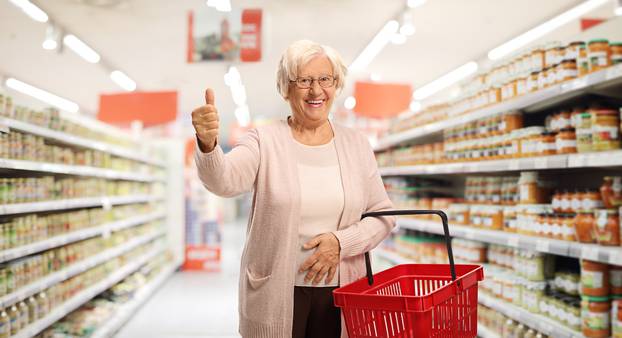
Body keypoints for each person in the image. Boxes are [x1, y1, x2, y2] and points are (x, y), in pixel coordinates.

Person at [192, 39, 395, 338]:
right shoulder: (264, 141)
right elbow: (224, 180)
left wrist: (342, 243)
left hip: (342, 293)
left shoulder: (356, 144)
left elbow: (383, 216)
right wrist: (208, 145)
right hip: (276, 292)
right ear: (286, 88)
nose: (316, 90)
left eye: (325, 79)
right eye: (304, 80)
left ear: (336, 85)